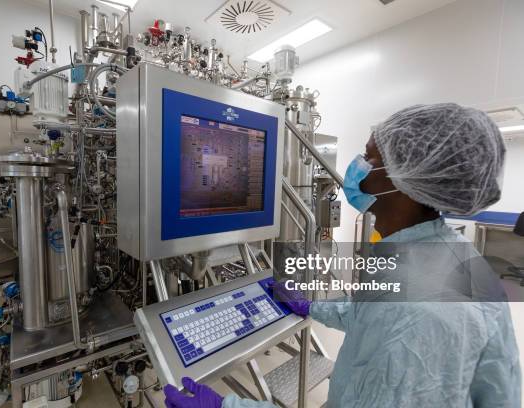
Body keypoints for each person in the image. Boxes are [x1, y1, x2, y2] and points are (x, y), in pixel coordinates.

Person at [163, 103, 521, 408]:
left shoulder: (417, 317)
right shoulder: (446, 252)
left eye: (369, 157)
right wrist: (312, 307)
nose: (357, 166)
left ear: (403, 180)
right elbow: (372, 316)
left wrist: (228, 405)